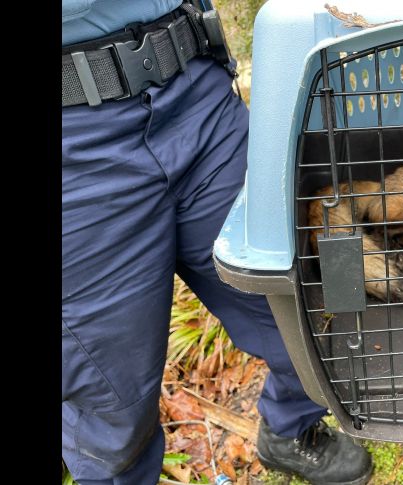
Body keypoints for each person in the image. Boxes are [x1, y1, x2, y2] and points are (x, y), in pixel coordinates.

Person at [61, 1, 372, 484]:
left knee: (322, 301)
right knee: (114, 407)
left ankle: (290, 431)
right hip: (75, 155)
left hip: (196, 88)